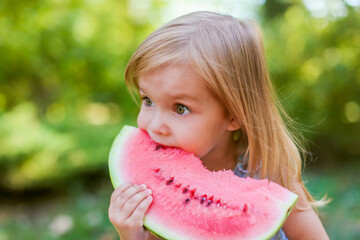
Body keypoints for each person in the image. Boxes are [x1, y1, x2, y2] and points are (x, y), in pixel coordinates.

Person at [108, 11, 329, 240]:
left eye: (180, 108)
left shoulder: (269, 176)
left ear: (234, 115)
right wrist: (132, 236)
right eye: (148, 101)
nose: (155, 125)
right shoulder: (159, 185)